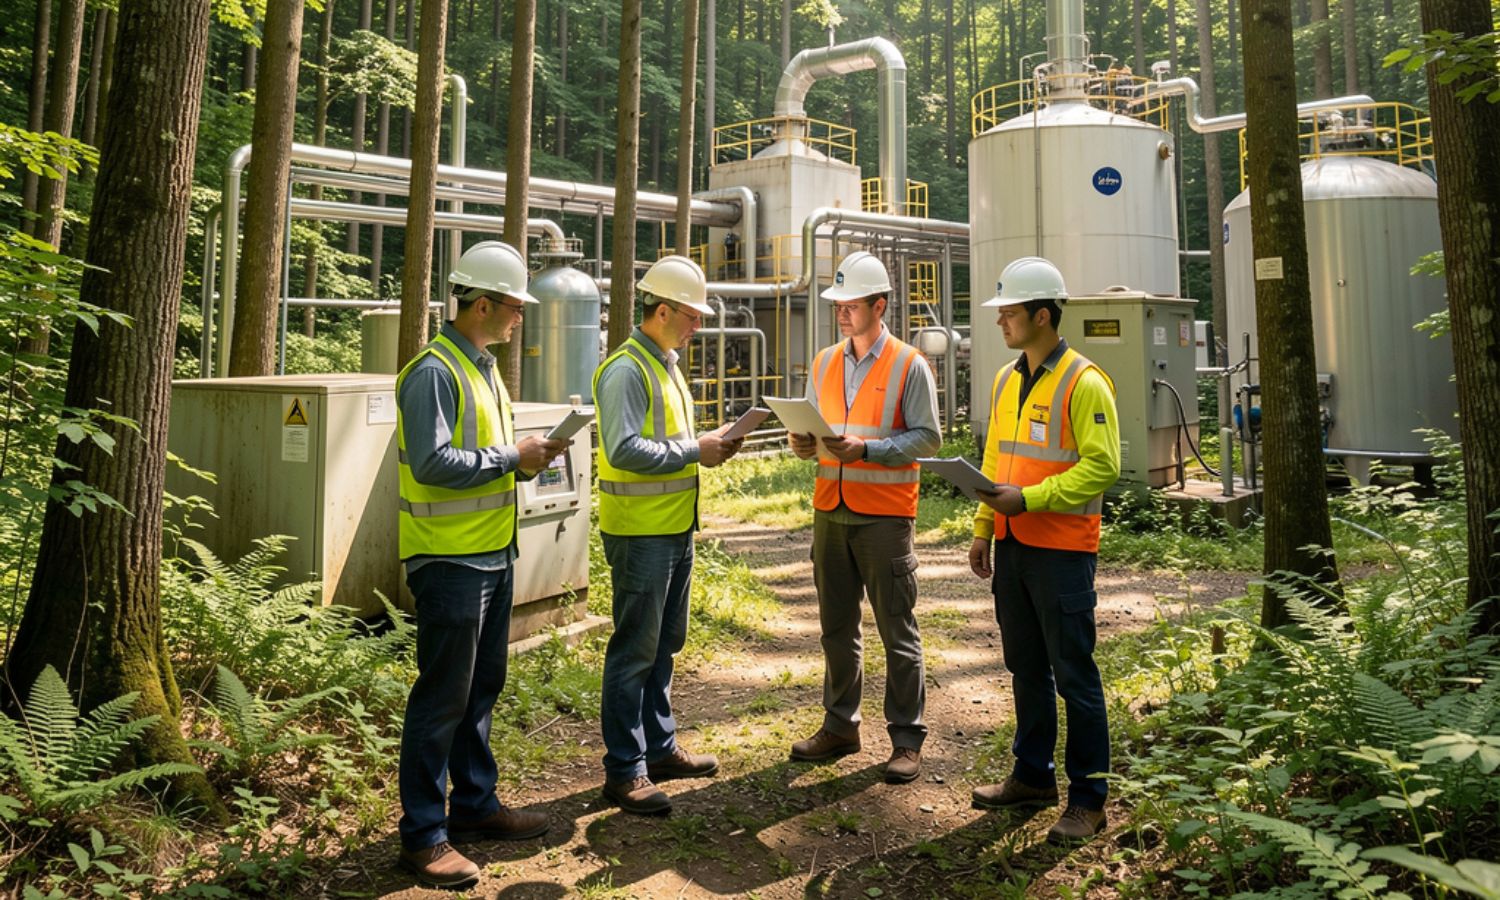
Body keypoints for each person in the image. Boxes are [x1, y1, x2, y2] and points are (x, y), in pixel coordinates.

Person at [394, 240, 569, 888]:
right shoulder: (434, 371)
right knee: (441, 698)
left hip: (491, 556)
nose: (521, 316)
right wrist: (511, 458)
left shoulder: (483, 368)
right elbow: (437, 464)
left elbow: (489, 455)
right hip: (449, 563)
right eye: (515, 307)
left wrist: (525, 457)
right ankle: (422, 834)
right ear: (485, 304)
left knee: (478, 690)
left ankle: (472, 805)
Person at [966, 256, 1121, 845]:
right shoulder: (1008, 379)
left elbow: (1102, 467)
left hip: (1062, 553)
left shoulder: (1085, 382)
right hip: (1012, 548)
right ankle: (1032, 776)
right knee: (1025, 669)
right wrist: (984, 525)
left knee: (1074, 676)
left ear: (1042, 314)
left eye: (1008, 311)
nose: (1000, 320)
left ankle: (1089, 799)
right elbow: (995, 463)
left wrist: (1028, 500)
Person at [593, 254, 744, 815]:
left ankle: (657, 748)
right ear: (661, 311)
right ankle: (624, 770)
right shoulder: (626, 370)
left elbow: (667, 444)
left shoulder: (664, 364)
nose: (698, 324)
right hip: (641, 536)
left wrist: (708, 443)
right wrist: (693, 451)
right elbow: (625, 447)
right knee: (634, 650)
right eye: (692, 315)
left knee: (663, 646)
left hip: (674, 530)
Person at [786, 251, 941, 784]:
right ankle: (839, 725)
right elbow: (812, 425)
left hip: (884, 517)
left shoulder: (909, 364)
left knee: (896, 628)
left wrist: (869, 452)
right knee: (836, 628)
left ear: (880, 305)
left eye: (851, 304)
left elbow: (928, 436)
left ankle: (906, 738)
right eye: (838, 304)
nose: (841, 312)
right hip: (831, 510)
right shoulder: (825, 361)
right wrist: (802, 443)